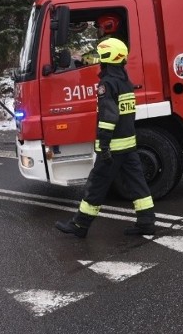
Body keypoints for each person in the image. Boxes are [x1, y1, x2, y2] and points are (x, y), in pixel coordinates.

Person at [55, 37, 156, 238]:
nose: (99, 59)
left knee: (96, 184)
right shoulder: (125, 82)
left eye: (101, 56)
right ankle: (147, 222)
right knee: (137, 183)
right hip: (129, 144)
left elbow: (108, 116)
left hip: (113, 147)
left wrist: (103, 143)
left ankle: (80, 225)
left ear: (107, 57)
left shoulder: (107, 84)